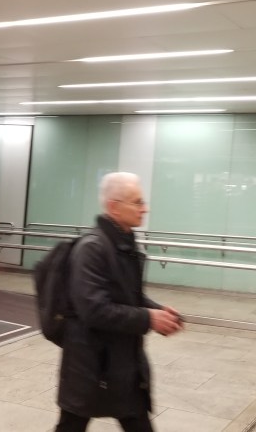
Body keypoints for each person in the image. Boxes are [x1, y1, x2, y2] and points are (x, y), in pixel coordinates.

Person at [57, 172, 184, 432]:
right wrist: (148, 319)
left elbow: (126, 296)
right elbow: (94, 309)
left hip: (122, 363)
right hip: (90, 365)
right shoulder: (92, 248)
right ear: (114, 206)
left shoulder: (123, 244)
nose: (144, 208)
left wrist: (156, 311)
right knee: (72, 424)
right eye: (137, 202)